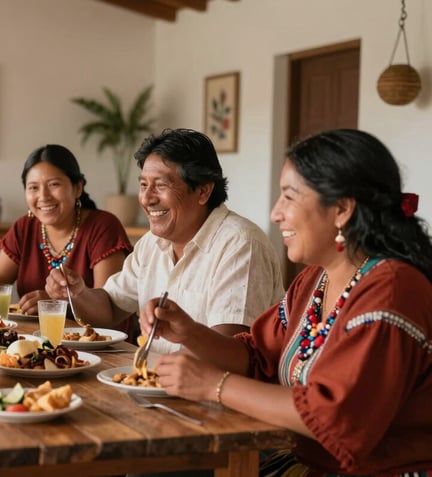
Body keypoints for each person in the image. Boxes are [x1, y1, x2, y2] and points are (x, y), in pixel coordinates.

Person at [146, 129, 432, 475]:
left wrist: (214, 386)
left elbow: (339, 419)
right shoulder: (316, 279)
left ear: (341, 209)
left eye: (289, 197)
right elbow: (257, 357)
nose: (275, 213)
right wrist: (189, 333)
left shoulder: (392, 290)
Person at [47, 129, 283, 352]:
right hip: (151, 383)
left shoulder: (240, 244)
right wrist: (78, 293)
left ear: (203, 192)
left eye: (160, 185)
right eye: (143, 185)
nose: (147, 198)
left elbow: (230, 349)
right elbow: (110, 308)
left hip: (208, 393)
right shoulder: (150, 243)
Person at [0, 144, 133, 317]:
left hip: (99, 341)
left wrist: (54, 305)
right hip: (36, 339)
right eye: (33, 187)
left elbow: (108, 310)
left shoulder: (103, 226)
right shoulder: (25, 227)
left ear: (77, 188)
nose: (43, 196)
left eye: (54, 184)